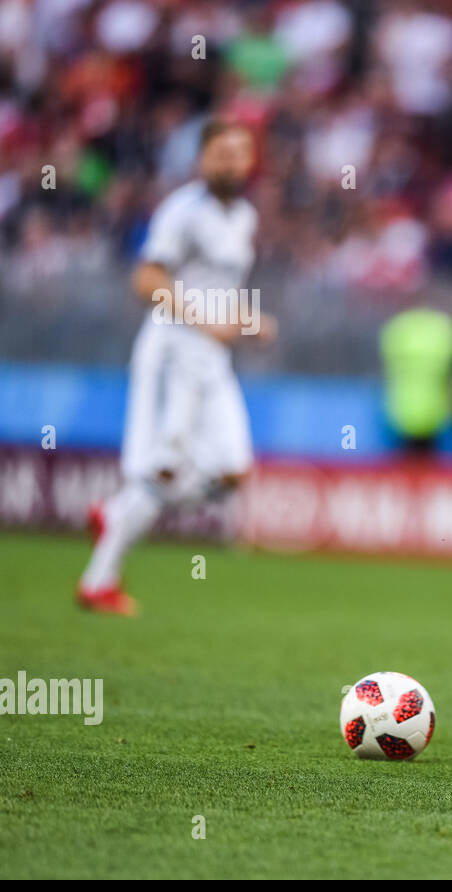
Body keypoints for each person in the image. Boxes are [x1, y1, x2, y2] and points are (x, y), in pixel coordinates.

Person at [78, 119, 275, 615]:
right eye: (221, 154)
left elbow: (217, 292)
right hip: (171, 352)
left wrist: (245, 321)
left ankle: (116, 510)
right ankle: (99, 582)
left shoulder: (245, 216)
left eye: (239, 154)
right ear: (202, 159)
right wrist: (205, 324)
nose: (231, 163)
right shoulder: (182, 212)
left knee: (232, 470)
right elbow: (146, 280)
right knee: (163, 471)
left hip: (212, 359)